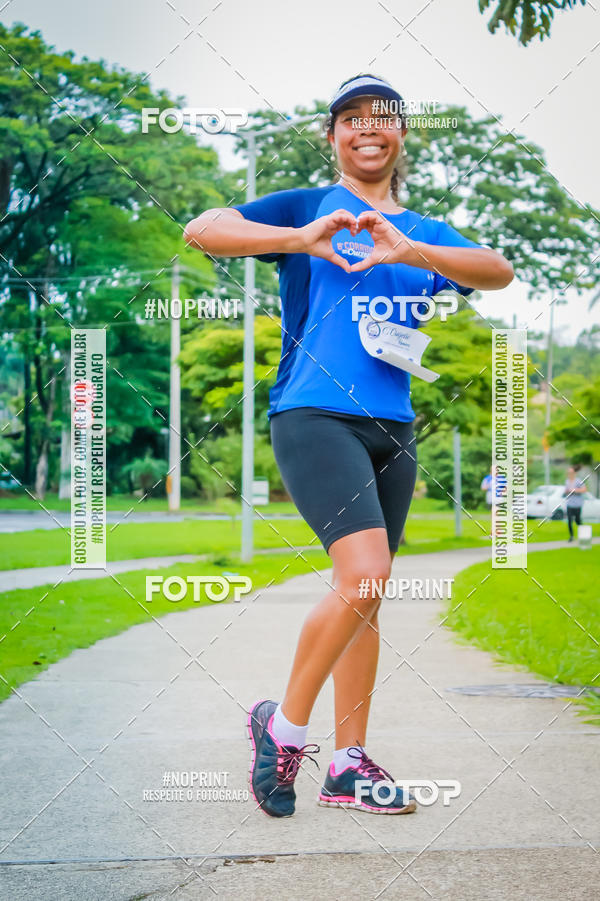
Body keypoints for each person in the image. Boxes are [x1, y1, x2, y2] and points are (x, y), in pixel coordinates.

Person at [184, 73, 514, 819]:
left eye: (383, 117)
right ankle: (284, 727)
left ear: (401, 134)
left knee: (367, 597)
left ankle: (348, 765)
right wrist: (297, 240)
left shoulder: (423, 229)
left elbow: (497, 271)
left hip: (393, 428)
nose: (369, 127)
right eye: (352, 118)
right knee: (364, 572)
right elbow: (202, 229)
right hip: (313, 414)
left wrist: (415, 251)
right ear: (332, 136)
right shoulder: (306, 206)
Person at [563, 464, 585, 542]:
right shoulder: (567, 481)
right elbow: (566, 491)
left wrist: (575, 490)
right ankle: (571, 536)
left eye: (571, 472)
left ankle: (583, 535)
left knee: (578, 521)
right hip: (570, 504)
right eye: (569, 473)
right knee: (569, 520)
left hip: (577, 504)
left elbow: (584, 489)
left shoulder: (578, 481)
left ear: (574, 473)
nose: (570, 474)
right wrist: (567, 491)